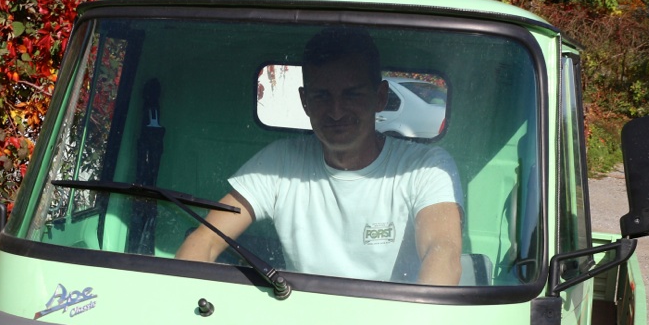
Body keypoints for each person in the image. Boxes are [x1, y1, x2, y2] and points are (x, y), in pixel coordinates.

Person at [175, 26, 464, 285]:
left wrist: (418, 320)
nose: (336, 111)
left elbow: (443, 252)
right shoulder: (279, 163)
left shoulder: (425, 168)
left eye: (352, 94)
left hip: (396, 321)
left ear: (380, 97)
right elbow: (205, 240)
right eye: (322, 96)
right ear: (305, 102)